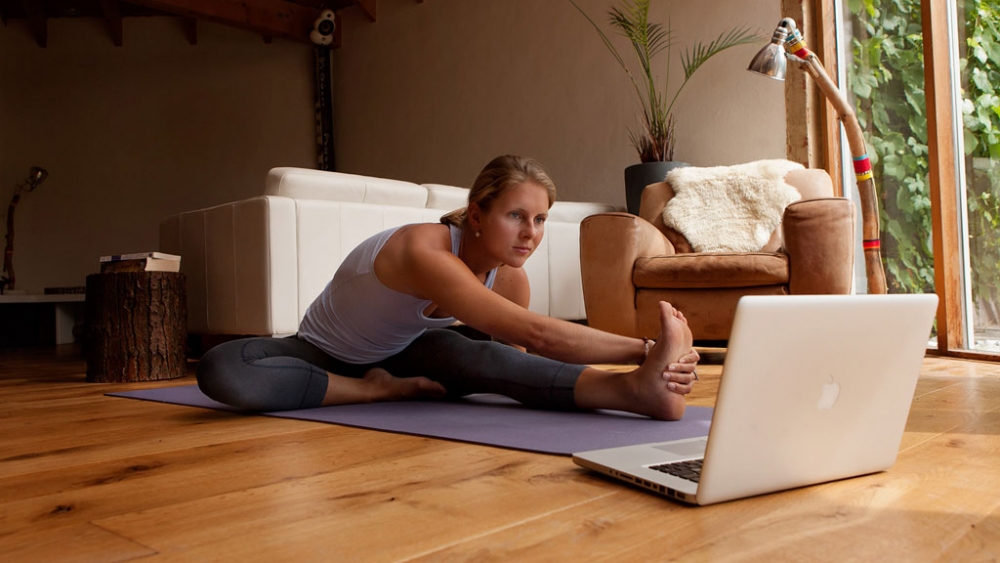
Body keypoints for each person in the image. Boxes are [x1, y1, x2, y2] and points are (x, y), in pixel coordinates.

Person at [196, 155, 700, 420]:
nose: (531, 233)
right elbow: (543, 335)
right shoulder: (425, 250)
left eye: (541, 219)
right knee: (225, 369)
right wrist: (648, 347)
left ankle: (632, 392)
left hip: (410, 353)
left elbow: (525, 360)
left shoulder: (509, 279)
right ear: (477, 215)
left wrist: (646, 366)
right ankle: (371, 393)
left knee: (487, 360)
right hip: (321, 354)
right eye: (516, 216)